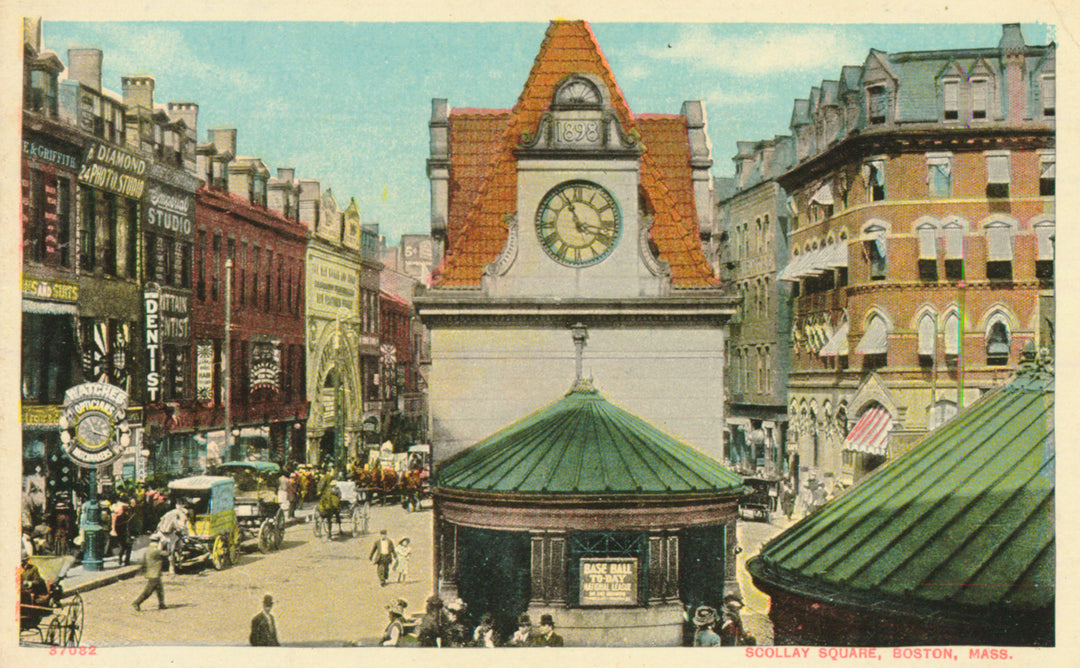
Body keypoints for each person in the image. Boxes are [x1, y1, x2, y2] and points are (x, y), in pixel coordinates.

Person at [132, 534, 168, 611]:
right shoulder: (155, 550)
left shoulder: (149, 549)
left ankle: (161, 604)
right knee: (148, 591)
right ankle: (137, 602)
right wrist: (166, 546)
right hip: (154, 574)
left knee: (160, 590)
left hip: (152, 573)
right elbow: (167, 554)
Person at [112, 498, 133, 566]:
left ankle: (120, 559)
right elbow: (129, 527)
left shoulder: (118, 517)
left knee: (123, 548)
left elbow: (116, 527)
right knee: (128, 548)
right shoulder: (127, 518)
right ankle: (126, 560)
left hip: (120, 535)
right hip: (126, 534)